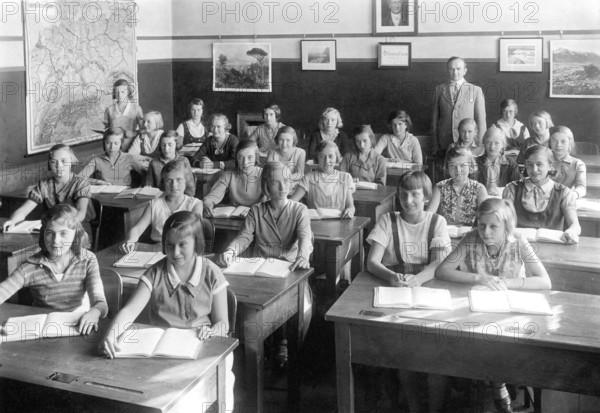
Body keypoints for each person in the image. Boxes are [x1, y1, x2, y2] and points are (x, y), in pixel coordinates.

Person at [102, 211, 234, 409]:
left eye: (183, 245)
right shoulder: (155, 272)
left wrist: (213, 330)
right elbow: (129, 311)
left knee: (191, 396)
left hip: (200, 345)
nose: (176, 252)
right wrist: (111, 335)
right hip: (161, 351)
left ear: (197, 243)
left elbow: (223, 324)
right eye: (169, 245)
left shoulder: (211, 272)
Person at [435, 198, 551, 413]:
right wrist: (479, 277)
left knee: (501, 343)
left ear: (506, 226)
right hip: (477, 311)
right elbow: (442, 271)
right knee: (477, 340)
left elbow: (545, 281)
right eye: (481, 225)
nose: (486, 232)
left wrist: (508, 283)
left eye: (493, 226)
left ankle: (495, 381)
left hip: (510, 312)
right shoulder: (471, 240)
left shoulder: (519, 243)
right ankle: (494, 383)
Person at [366, 171, 451, 413]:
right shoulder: (388, 220)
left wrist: (417, 280)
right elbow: (373, 262)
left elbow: (438, 264)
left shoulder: (437, 222)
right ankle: (414, 407)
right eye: (404, 194)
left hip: (429, 293)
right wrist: (392, 276)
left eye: (415, 194)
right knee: (403, 356)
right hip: (396, 293)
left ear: (426, 197)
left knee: (437, 358)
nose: (409, 200)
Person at [220, 162, 312, 368]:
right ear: (265, 186)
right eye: (275, 183)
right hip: (260, 271)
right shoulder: (256, 210)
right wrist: (231, 250)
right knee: (241, 303)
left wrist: (304, 256)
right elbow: (244, 237)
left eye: (286, 181)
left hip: (288, 271)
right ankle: (253, 347)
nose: (282, 187)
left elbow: (305, 237)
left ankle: (283, 343)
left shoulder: (300, 209)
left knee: (296, 308)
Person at [0, 205, 108, 335]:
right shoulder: (30, 266)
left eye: (63, 233)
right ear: (43, 234)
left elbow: (100, 302)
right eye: (50, 233)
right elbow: (3, 291)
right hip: (41, 329)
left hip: (76, 325)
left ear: (76, 234)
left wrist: (95, 312)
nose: (56, 240)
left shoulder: (87, 259)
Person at [3, 144, 92, 236]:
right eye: (54, 162)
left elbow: (81, 213)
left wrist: (63, 226)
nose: (59, 165)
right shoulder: (44, 185)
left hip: (77, 230)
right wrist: (12, 221)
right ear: (49, 164)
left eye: (63, 161)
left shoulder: (81, 184)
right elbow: (24, 210)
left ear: (71, 161)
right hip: (53, 232)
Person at [121, 158, 203, 252]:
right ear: (163, 183)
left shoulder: (195, 204)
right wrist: (131, 240)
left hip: (183, 250)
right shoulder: (154, 204)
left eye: (179, 180)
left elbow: (194, 232)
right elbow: (137, 229)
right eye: (169, 180)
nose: (174, 185)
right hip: (156, 250)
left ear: (186, 181)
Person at [503, 144, 581, 243]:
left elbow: (575, 224)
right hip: (519, 245)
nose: (534, 170)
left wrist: (571, 231)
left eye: (539, 164)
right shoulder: (512, 189)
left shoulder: (564, 193)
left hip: (553, 248)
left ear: (550, 166)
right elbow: (503, 220)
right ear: (525, 165)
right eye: (530, 164)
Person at [431, 57, 486, 158]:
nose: (455, 72)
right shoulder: (439, 90)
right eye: (451, 69)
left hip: (468, 145)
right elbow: (434, 121)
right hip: (444, 144)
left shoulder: (476, 90)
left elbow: (481, 121)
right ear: (448, 70)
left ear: (465, 70)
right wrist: (435, 144)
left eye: (458, 69)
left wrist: (479, 145)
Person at [291, 140, 355, 219]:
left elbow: (350, 206)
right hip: (315, 224)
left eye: (331, 156)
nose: (326, 161)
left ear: (336, 158)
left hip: (339, 223)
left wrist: (350, 210)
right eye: (322, 156)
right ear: (317, 158)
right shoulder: (308, 178)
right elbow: (292, 202)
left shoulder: (346, 177)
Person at [203, 139, 265, 217]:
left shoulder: (264, 174)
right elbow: (211, 197)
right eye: (240, 158)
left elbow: (272, 202)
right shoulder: (228, 175)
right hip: (234, 217)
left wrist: (254, 211)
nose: (245, 163)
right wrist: (207, 205)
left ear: (256, 158)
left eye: (250, 157)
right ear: (236, 159)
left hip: (258, 216)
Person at [427, 146, 487, 226]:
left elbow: (485, 217)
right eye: (452, 165)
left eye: (462, 165)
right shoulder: (439, 188)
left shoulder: (479, 189)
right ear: (447, 167)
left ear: (471, 166)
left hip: (470, 234)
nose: (458, 170)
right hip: (445, 234)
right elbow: (429, 215)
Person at [78, 127, 146, 187]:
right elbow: (79, 178)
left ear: (121, 144)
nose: (112, 147)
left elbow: (148, 174)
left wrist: (141, 188)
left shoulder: (130, 158)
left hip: (124, 196)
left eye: (116, 143)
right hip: (104, 194)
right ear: (104, 143)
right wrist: (98, 182)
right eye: (108, 143)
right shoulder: (96, 159)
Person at [146, 130, 196, 197]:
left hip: (180, 201)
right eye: (163, 145)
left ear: (176, 145)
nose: (166, 149)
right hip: (160, 200)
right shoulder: (154, 163)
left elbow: (190, 190)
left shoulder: (183, 161)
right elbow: (148, 189)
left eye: (170, 145)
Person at [473, 127, 520, 196]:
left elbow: (516, 188)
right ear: (484, 143)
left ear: (503, 145)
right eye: (489, 142)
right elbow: (471, 187)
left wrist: (500, 191)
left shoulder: (511, 165)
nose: (492, 147)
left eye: (497, 143)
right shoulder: (476, 163)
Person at [103, 78, 144, 151]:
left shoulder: (136, 109)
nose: (120, 95)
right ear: (114, 93)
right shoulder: (109, 110)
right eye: (117, 92)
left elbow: (143, 130)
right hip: (114, 148)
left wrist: (133, 134)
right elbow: (106, 131)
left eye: (123, 92)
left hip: (132, 146)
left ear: (128, 92)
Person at [549, 125, 586, 199]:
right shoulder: (544, 161)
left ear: (570, 143)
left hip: (567, 199)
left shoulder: (578, 164)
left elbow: (581, 187)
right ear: (549, 142)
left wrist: (573, 195)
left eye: (563, 141)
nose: (558, 145)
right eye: (554, 141)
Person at [266, 126, 306, 193]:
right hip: (276, 187)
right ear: (277, 140)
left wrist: (284, 178)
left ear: (293, 140)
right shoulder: (272, 153)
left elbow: (300, 174)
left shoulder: (300, 152)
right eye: (281, 140)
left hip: (294, 188)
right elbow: (269, 173)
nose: (284, 144)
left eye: (288, 140)